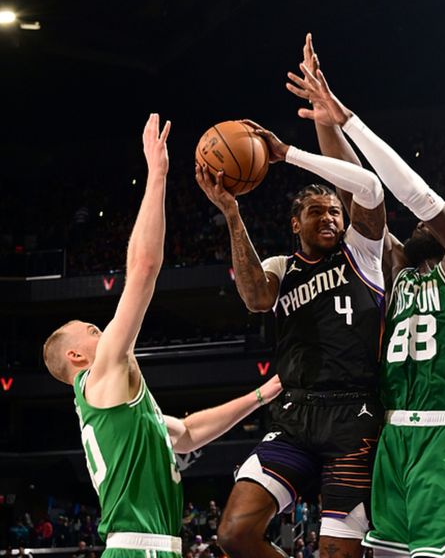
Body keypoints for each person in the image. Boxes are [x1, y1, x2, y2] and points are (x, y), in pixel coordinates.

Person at [287, 34, 445, 558]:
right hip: (393, 435)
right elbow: (355, 191)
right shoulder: (399, 269)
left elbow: (419, 198)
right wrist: (325, 120)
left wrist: (350, 120)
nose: (429, 224)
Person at [42, 114, 282, 558]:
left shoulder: (118, 410)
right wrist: (157, 174)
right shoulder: (101, 374)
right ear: (76, 356)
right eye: (93, 331)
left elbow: (187, 432)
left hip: (147, 547)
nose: (103, 331)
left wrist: (264, 393)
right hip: (141, 549)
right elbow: (143, 270)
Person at [195, 116, 387, 557]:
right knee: (234, 535)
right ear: (295, 225)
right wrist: (232, 212)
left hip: (354, 418)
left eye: (334, 211)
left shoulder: (362, 253)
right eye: (316, 212)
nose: (329, 218)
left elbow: (371, 188)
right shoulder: (282, 268)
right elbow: (255, 298)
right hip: (294, 417)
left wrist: (287, 154)